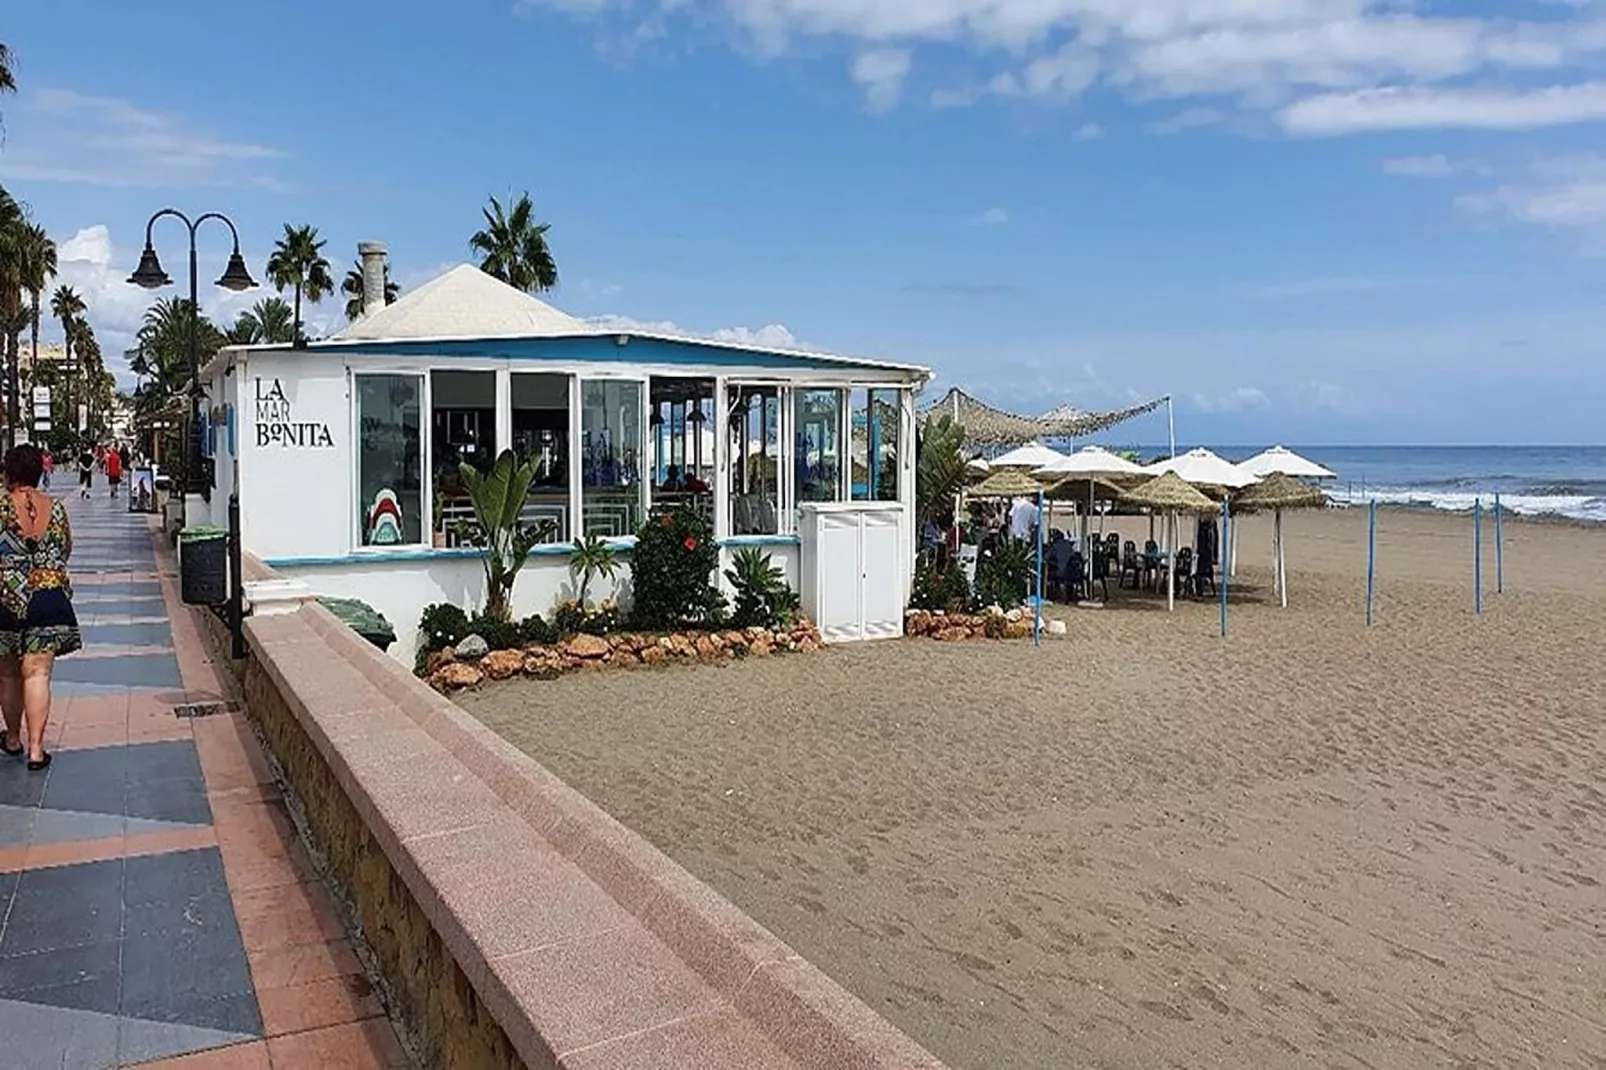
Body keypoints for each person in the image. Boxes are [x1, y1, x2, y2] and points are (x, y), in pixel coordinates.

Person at [0, 445, 79, 771]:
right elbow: (66, 548)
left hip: (5, 597)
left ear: (8, 473)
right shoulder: (57, 508)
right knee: (38, 673)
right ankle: (36, 749)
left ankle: (13, 739)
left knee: (7, 674)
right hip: (48, 596)